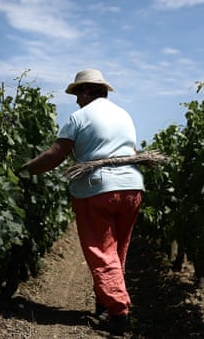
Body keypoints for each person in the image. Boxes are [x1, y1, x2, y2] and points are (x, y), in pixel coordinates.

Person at [22, 68, 144, 335]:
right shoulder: (124, 115)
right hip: (132, 188)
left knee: (101, 252)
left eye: (78, 93)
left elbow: (55, 156)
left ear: (88, 91)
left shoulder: (79, 117)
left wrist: (25, 169)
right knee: (117, 252)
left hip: (97, 190)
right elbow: (131, 152)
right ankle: (105, 303)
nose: (76, 99)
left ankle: (119, 315)